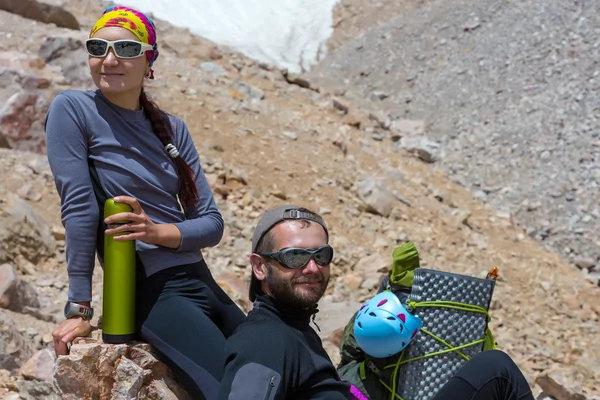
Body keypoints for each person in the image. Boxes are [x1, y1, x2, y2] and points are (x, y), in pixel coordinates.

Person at [45, 6, 245, 399]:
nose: (110, 58)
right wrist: (79, 309)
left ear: (148, 60)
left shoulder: (173, 128)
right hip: (152, 292)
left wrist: (158, 231)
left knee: (284, 366)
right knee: (238, 389)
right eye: (98, 46)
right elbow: (80, 210)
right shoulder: (72, 109)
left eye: (126, 48)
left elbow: (211, 222)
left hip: (202, 284)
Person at [218, 205, 353, 399]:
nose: (312, 268)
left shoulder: (297, 329)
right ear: (259, 267)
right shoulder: (264, 343)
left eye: (321, 255)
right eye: (294, 256)